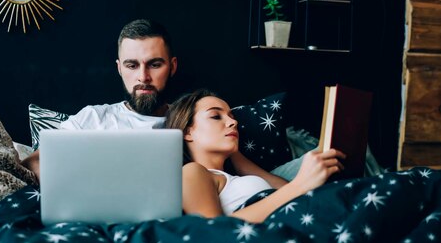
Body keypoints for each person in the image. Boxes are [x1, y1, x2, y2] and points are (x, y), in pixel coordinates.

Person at [21, 19, 285, 189]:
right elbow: (35, 160)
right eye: (132, 65)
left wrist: (304, 187)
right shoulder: (94, 117)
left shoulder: (192, 122)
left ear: (172, 67)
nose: (143, 77)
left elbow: (253, 175)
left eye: (154, 64)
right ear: (119, 68)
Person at [165, 89, 346, 223]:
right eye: (215, 116)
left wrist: (238, 158)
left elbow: (293, 197)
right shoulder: (192, 171)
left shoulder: (237, 175)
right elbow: (213, 231)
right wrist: (300, 184)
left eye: (231, 116)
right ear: (187, 132)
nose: (233, 121)